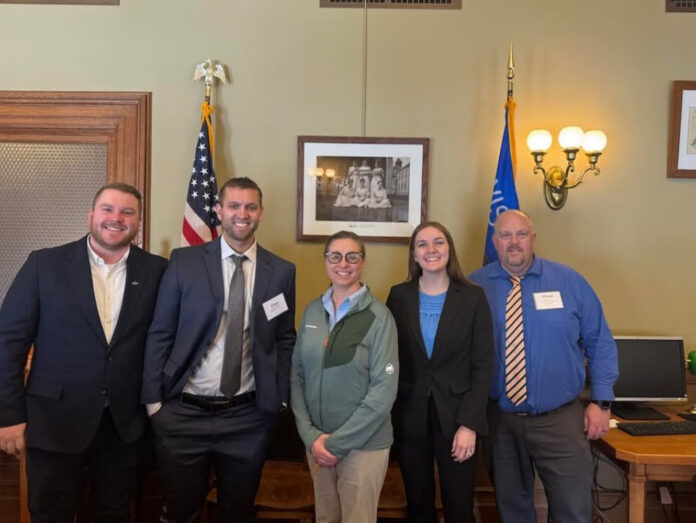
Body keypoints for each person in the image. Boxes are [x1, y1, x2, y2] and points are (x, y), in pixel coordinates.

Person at [0, 182, 168, 522]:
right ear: (92, 215)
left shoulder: (158, 271)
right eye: (108, 209)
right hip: (53, 422)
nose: (116, 218)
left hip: (123, 425)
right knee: (50, 514)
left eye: (127, 212)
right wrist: (10, 417)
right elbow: (8, 343)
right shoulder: (43, 265)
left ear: (137, 222)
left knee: (115, 513)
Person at [142, 176, 296, 523]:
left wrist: (279, 396)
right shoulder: (185, 262)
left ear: (260, 212)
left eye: (250, 207)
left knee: (238, 512)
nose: (242, 214)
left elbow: (285, 337)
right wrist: (154, 404)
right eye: (234, 206)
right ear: (219, 211)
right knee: (180, 512)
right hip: (183, 413)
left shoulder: (282, 272)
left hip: (247, 417)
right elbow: (160, 332)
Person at [468, 210, 618, 523]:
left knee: (572, 510)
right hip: (500, 421)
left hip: (560, 419)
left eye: (521, 234)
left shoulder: (568, 281)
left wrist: (601, 402)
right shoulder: (474, 287)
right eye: (505, 235)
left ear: (533, 239)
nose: (513, 242)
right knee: (512, 510)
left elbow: (600, 341)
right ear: (495, 242)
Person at [386, 222, 493, 523]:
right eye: (422, 244)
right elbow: (389, 357)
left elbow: (483, 366)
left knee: (459, 505)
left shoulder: (473, 298)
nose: (431, 250)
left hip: (458, 419)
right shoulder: (398, 296)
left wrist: (469, 425)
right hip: (410, 417)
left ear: (449, 249)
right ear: (414, 255)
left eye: (438, 242)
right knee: (418, 503)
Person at [290, 230, 398, 523]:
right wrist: (311, 436)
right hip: (318, 445)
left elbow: (383, 393)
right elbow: (297, 376)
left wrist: (335, 445)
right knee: (326, 519)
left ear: (362, 262)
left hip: (363, 448)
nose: (343, 263)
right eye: (335, 256)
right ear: (326, 261)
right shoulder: (313, 311)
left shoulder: (379, 317)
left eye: (353, 256)